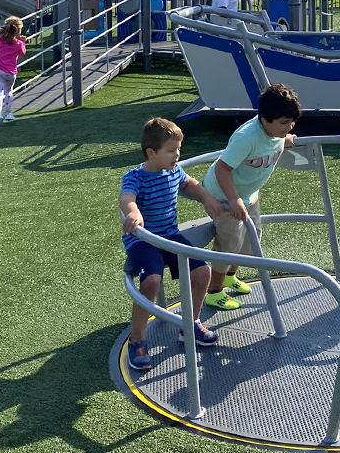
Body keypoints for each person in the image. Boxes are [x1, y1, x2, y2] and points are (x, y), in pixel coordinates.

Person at [120, 118, 225, 370]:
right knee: (152, 281)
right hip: (144, 240)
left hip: (170, 235)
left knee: (203, 271)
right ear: (151, 153)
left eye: (179, 149)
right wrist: (133, 212)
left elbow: (190, 183)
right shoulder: (136, 176)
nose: (177, 155)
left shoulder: (173, 171)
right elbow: (127, 197)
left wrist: (207, 198)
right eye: (171, 150)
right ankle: (138, 338)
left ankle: (191, 322)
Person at [201, 83, 300, 310]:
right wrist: (233, 200)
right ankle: (214, 292)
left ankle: (229, 277)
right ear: (264, 119)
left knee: (251, 239)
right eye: (284, 123)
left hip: (248, 195)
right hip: (223, 195)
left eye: (292, 121)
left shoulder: (275, 132)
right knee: (229, 243)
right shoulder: (246, 137)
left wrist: (285, 139)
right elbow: (222, 168)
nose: (289, 126)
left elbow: (272, 142)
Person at [0, 16, 27, 131]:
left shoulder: (0, 40)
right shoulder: (19, 43)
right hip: (11, 72)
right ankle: (8, 113)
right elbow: (22, 54)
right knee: (9, 92)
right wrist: (24, 42)